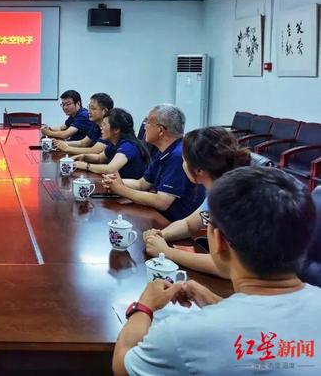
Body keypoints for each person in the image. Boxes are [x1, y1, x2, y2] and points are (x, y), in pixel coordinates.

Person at [112, 167, 321, 376]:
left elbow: (123, 365)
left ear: (218, 240)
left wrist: (145, 306)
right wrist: (215, 301)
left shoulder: (184, 336)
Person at [142, 127, 250, 277]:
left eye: (184, 160)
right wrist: (161, 235)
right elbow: (189, 224)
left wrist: (166, 252)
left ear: (199, 170)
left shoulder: (233, 198)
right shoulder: (218, 188)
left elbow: (225, 266)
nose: (182, 163)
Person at [102, 104, 204, 221]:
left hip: (173, 222)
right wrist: (113, 182)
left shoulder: (178, 155)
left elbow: (162, 202)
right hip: (160, 216)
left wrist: (122, 190)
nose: (144, 128)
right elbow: (142, 184)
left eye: (148, 123)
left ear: (160, 130)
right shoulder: (164, 151)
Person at [72, 108, 148, 180]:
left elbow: (110, 169)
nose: (101, 127)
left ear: (116, 129)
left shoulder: (128, 146)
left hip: (125, 190)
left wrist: (86, 166)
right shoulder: (114, 143)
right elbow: (99, 158)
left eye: (104, 124)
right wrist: (84, 156)